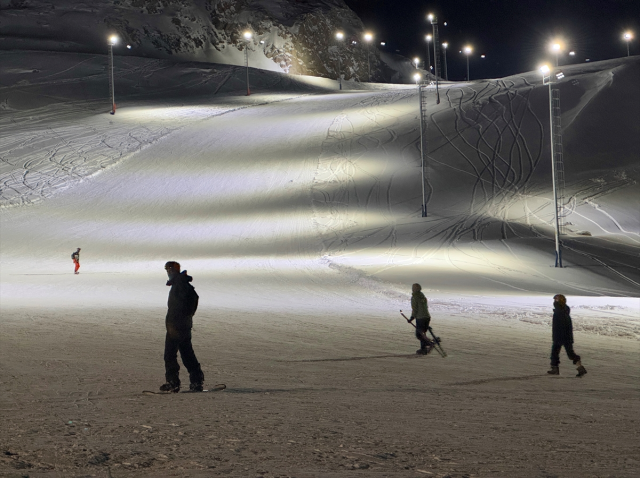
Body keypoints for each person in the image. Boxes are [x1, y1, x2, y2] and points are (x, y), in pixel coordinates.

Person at [160, 261, 205, 392]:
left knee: (170, 355)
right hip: (179, 325)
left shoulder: (181, 285)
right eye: (167, 269)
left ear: (176, 270)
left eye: (170, 269)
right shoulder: (179, 284)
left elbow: (191, 302)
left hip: (177, 326)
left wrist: (183, 318)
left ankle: (174, 382)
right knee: (186, 353)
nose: (168, 272)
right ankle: (196, 381)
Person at [548, 294, 587, 377]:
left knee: (557, 353)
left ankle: (555, 368)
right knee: (567, 353)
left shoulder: (560, 311)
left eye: (556, 299)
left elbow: (561, 325)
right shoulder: (564, 310)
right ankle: (579, 367)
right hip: (565, 336)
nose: (554, 301)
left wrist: (558, 336)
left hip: (561, 336)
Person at [408, 283, 433, 355]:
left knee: (419, 334)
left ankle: (428, 343)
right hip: (427, 317)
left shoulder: (415, 297)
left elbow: (415, 309)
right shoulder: (422, 296)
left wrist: (411, 318)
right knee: (423, 333)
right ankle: (423, 348)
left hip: (420, 318)